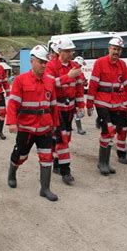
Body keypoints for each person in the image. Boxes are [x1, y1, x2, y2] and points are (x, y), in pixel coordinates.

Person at [6, 45, 59, 201]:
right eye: (40, 61)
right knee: (20, 156)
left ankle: (45, 188)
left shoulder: (50, 81)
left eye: (45, 62)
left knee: (47, 157)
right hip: (26, 128)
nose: (44, 65)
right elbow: (13, 103)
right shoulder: (20, 80)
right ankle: (12, 171)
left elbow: (53, 105)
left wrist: (55, 123)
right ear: (32, 61)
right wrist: (11, 122)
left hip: (45, 128)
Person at [86, 36, 127, 175]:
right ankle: (102, 163)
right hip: (102, 101)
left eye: (119, 49)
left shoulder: (122, 65)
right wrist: (89, 103)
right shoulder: (100, 63)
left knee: (112, 131)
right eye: (114, 48)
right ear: (109, 48)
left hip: (116, 103)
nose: (116, 52)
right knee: (108, 130)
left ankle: (106, 162)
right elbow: (93, 84)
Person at [45, 37, 85, 184]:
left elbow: (79, 88)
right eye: (67, 51)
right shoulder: (51, 66)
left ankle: (56, 162)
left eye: (71, 51)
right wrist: (67, 77)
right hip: (57, 108)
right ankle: (65, 171)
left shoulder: (74, 66)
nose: (70, 54)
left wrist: (81, 106)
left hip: (70, 108)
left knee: (66, 137)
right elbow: (49, 85)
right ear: (59, 51)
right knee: (62, 139)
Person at [73, 56, 88, 135]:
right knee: (75, 113)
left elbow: (84, 83)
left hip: (78, 95)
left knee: (75, 112)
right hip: (73, 96)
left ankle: (78, 128)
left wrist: (85, 82)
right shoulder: (71, 72)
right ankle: (79, 129)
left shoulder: (80, 73)